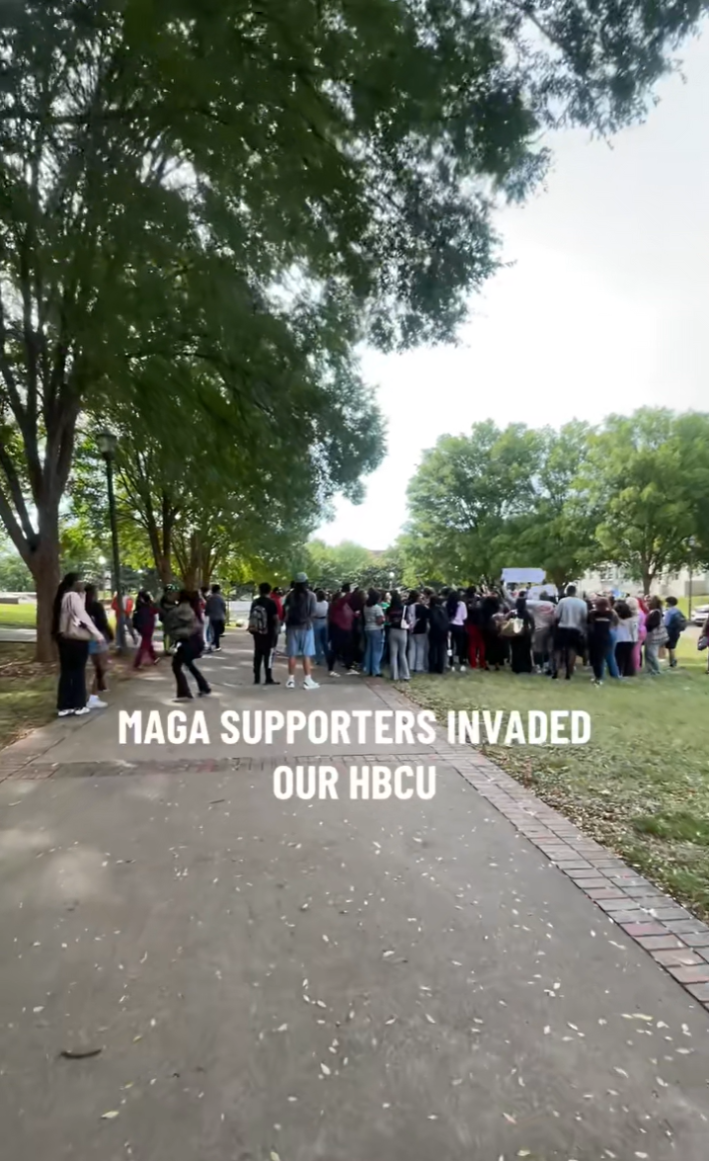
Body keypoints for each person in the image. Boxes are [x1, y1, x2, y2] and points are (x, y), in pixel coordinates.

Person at [52, 573, 106, 716]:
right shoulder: (73, 596)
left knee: (67, 672)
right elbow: (82, 616)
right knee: (77, 672)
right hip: (76, 640)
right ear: (74, 583)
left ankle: (64, 705)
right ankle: (78, 704)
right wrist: (97, 634)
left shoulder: (63, 596)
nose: (83, 583)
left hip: (65, 639)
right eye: (80, 580)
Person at [164, 590, 211, 700]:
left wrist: (176, 634)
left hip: (190, 642)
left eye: (176, 594)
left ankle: (184, 693)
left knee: (176, 666)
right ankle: (204, 687)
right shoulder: (190, 607)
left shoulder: (183, 609)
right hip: (193, 642)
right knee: (188, 664)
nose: (174, 595)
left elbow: (186, 627)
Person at [283, 573, 319, 690]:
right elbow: (313, 612)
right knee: (306, 654)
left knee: (292, 654)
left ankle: (290, 680)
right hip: (306, 627)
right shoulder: (311, 596)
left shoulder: (290, 595)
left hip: (292, 627)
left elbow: (285, 611)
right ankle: (307, 680)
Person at [83, 583, 112, 707]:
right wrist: (110, 635)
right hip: (97, 637)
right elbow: (103, 622)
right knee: (102, 666)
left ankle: (100, 685)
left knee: (96, 666)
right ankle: (94, 694)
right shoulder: (96, 606)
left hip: (84, 637)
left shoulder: (80, 607)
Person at [248, 582, 280, 685]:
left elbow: (251, 616)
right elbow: (275, 618)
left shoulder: (255, 602)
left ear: (259, 590)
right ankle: (268, 677)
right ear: (269, 591)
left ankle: (256, 678)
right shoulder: (271, 603)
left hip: (257, 632)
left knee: (257, 654)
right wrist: (277, 629)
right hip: (269, 632)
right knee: (268, 655)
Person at [553, 583, 587, 680]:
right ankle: (569, 671)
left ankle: (556, 670)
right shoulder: (582, 603)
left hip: (563, 627)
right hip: (575, 629)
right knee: (572, 650)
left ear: (567, 592)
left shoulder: (562, 601)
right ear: (575, 592)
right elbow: (584, 618)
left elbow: (556, 616)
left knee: (558, 649)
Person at [587, 597, 618, 684]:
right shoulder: (611, 613)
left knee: (598, 658)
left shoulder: (593, 613)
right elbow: (615, 623)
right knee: (607, 657)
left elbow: (590, 625)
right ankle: (610, 675)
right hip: (606, 636)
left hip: (596, 637)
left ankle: (599, 676)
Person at [328, 583, 356, 674]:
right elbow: (344, 599)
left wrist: (356, 614)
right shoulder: (337, 605)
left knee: (348, 649)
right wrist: (349, 592)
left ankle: (349, 667)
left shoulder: (346, 606)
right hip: (339, 629)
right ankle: (331, 669)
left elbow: (351, 614)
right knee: (335, 649)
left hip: (347, 629)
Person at [503, 596, 534, 674]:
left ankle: (516, 667)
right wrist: (531, 632)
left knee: (516, 651)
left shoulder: (513, 613)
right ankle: (526, 667)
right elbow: (533, 624)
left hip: (515, 633)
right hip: (525, 634)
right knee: (526, 652)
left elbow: (505, 619)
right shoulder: (528, 613)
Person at [386, 591, 410, 681]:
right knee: (402, 654)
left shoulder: (389, 608)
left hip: (392, 631)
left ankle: (394, 675)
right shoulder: (404, 608)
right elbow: (408, 619)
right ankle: (405, 675)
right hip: (402, 631)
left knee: (393, 654)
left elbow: (387, 620)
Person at [133, 590, 159, 669]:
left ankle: (154, 658)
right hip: (148, 627)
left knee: (148, 642)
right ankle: (137, 663)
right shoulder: (149, 605)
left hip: (141, 627)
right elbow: (156, 610)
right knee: (144, 645)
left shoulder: (139, 604)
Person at [362, 588, 386, 676]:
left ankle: (368, 669)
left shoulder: (365, 606)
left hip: (368, 628)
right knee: (377, 650)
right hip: (376, 629)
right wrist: (383, 619)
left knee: (369, 649)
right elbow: (379, 620)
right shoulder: (377, 608)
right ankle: (376, 670)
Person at [406, 590, 429, 673]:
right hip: (421, 629)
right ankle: (419, 666)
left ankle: (410, 665)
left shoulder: (409, 606)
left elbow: (409, 618)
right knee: (420, 648)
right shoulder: (423, 607)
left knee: (412, 648)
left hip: (411, 629)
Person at [427, 594, 450, 674]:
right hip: (443, 631)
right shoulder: (444, 609)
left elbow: (430, 621)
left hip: (434, 630)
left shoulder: (431, 610)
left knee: (432, 649)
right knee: (441, 650)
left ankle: (432, 667)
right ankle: (440, 667)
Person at [644, 596, 666, 676]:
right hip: (652, 635)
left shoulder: (656, 612)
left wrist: (645, 626)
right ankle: (650, 669)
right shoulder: (655, 611)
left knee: (652, 654)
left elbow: (653, 624)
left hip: (654, 636)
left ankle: (657, 670)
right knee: (648, 653)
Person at [614, 600, 637, 676]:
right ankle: (628, 673)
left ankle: (618, 672)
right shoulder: (632, 620)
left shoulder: (615, 620)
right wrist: (634, 640)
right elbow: (633, 631)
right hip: (629, 640)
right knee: (628, 658)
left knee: (618, 658)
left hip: (618, 640)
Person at [447, 589, 467, 672]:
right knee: (460, 645)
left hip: (451, 626)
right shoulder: (462, 604)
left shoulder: (447, 604)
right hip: (460, 626)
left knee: (450, 646)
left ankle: (451, 663)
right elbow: (464, 616)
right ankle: (461, 662)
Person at [663, 596, 686, 668]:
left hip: (670, 631)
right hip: (676, 631)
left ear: (669, 603)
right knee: (672, 647)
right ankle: (672, 661)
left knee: (670, 647)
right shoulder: (677, 611)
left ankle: (672, 662)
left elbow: (666, 623)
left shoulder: (670, 612)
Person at [204, 584, 227, 652]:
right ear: (218, 590)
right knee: (217, 632)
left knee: (213, 632)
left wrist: (206, 614)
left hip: (212, 617)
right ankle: (216, 645)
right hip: (220, 617)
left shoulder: (209, 598)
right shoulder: (221, 598)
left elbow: (207, 608)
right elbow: (223, 608)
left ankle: (213, 645)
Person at [313, 589, 330, 666]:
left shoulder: (315, 604)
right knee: (325, 641)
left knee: (317, 641)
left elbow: (313, 614)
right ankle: (327, 656)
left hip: (316, 621)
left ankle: (318, 658)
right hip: (324, 621)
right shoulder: (326, 603)